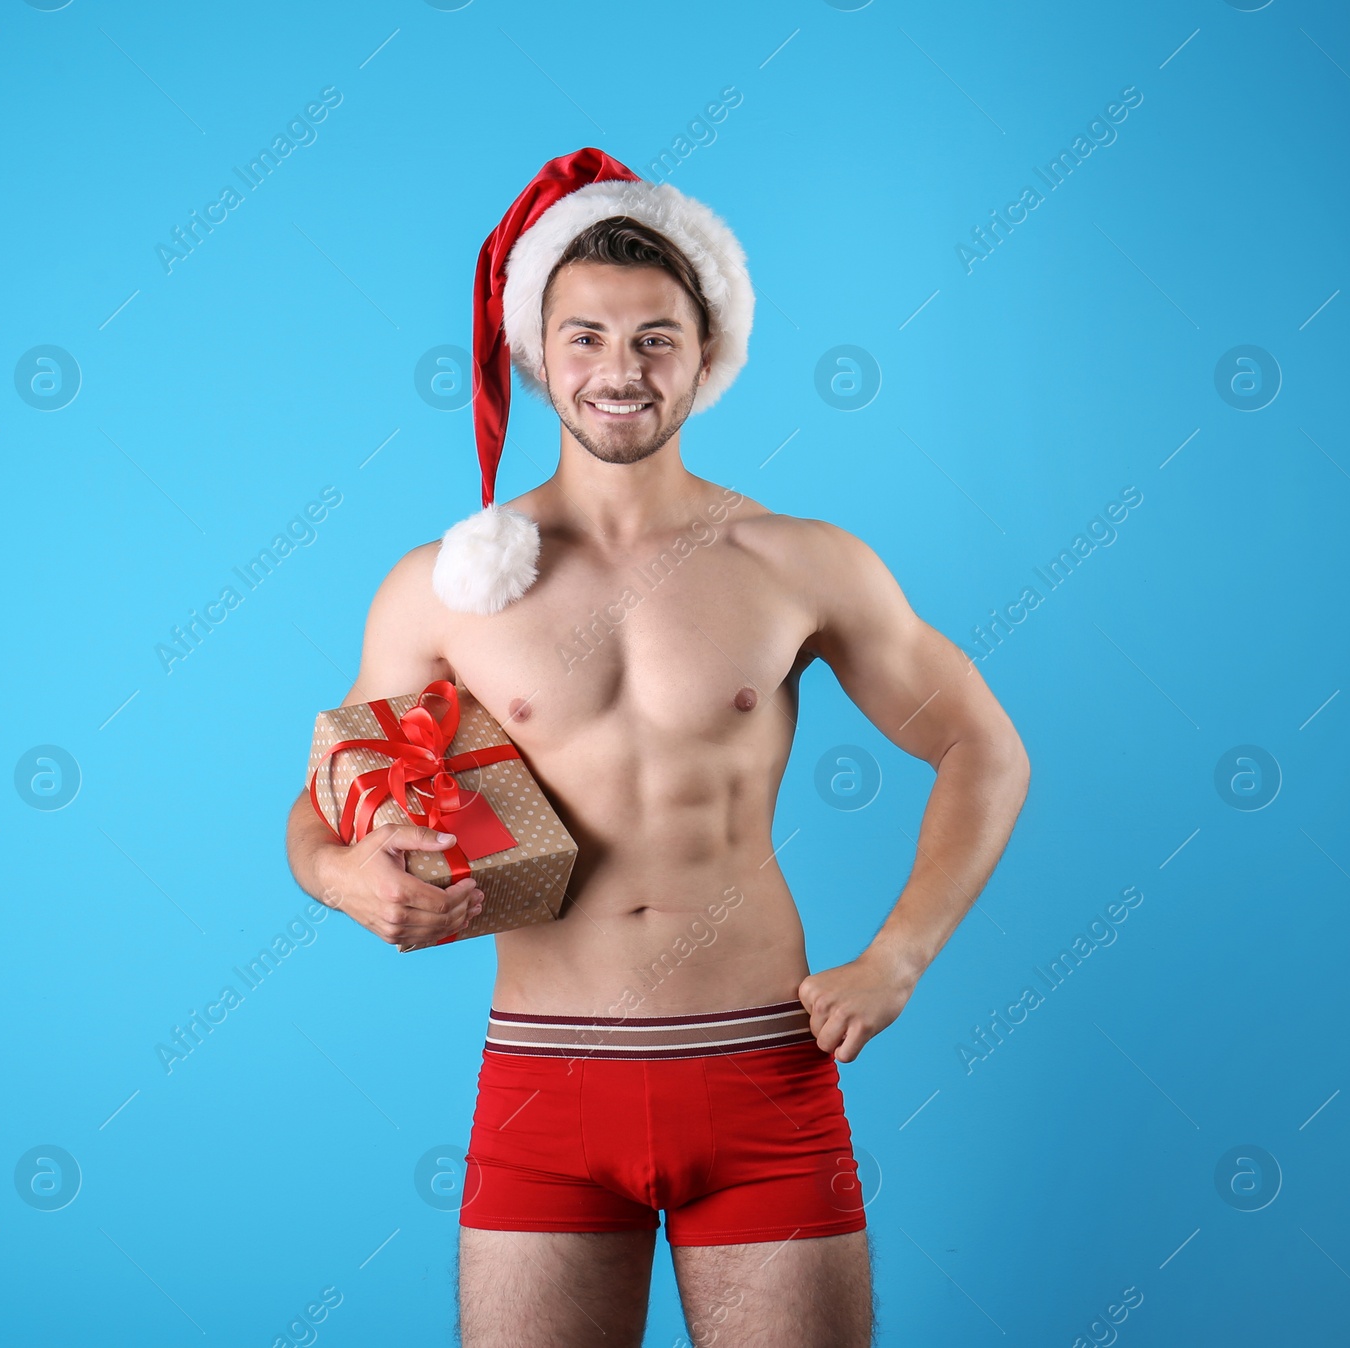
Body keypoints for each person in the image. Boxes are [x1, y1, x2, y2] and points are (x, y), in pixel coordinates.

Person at [284, 150, 1029, 1347]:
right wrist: (341, 874)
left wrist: (899, 956)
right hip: (544, 1081)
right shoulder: (443, 588)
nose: (617, 371)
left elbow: (984, 751)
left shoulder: (799, 561)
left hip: (760, 1079)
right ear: (535, 352)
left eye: (652, 339)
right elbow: (321, 805)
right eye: (583, 338)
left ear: (705, 353)